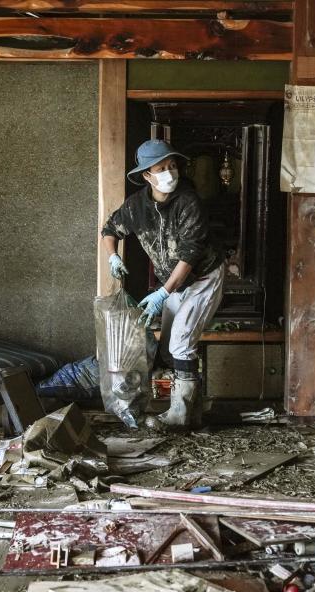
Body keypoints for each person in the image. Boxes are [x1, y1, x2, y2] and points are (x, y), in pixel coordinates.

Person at [101, 139, 224, 430]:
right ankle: (194, 414)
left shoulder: (189, 202)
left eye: (172, 166)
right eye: (161, 168)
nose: (170, 173)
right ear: (146, 175)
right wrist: (112, 258)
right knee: (168, 348)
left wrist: (162, 293)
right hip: (172, 281)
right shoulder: (136, 206)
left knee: (182, 341)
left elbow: (189, 257)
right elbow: (110, 229)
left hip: (203, 277)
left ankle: (179, 417)